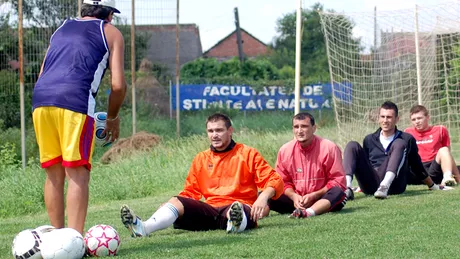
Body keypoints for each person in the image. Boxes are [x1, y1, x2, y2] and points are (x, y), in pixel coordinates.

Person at [32, 0, 127, 234]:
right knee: (76, 172)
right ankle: (73, 239)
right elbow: (118, 86)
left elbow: (43, 72)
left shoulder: (61, 27)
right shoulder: (111, 33)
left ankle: (57, 238)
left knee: (53, 173)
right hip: (76, 101)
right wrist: (112, 118)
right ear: (109, 14)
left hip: (41, 99)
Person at [120, 113, 284, 235]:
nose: (215, 135)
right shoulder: (201, 158)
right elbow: (191, 191)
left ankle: (234, 224)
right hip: (209, 211)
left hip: (239, 206)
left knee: (237, 208)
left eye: (219, 130)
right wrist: (170, 206)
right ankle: (143, 227)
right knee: (176, 201)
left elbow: (274, 179)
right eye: (211, 131)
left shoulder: (248, 153)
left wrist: (263, 197)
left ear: (230, 131)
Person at [343, 101, 447, 200]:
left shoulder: (407, 138)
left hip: (394, 186)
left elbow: (417, 166)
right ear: (378, 118)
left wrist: (432, 185)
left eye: (389, 117)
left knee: (399, 143)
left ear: (397, 119)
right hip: (372, 185)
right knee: (352, 145)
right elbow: (366, 165)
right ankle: (346, 189)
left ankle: (384, 186)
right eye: (382, 117)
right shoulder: (369, 139)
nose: (385, 120)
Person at [269, 112, 347, 218]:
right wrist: (294, 196)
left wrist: (314, 195)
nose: (300, 131)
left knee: (338, 192)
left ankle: (308, 212)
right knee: (265, 194)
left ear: (314, 128)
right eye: (296, 127)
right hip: (295, 201)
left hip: (321, 199)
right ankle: (251, 216)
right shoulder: (285, 150)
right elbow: (282, 182)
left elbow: (338, 181)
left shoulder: (329, 148)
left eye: (304, 126)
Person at [404, 104, 459, 186]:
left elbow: (447, 154)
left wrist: (458, 176)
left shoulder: (440, 130)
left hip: (434, 167)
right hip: (418, 170)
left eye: (419, 118)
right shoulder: (408, 132)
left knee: (444, 150)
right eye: (413, 119)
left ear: (428, 117)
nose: (417, 121)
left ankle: (447, 178)